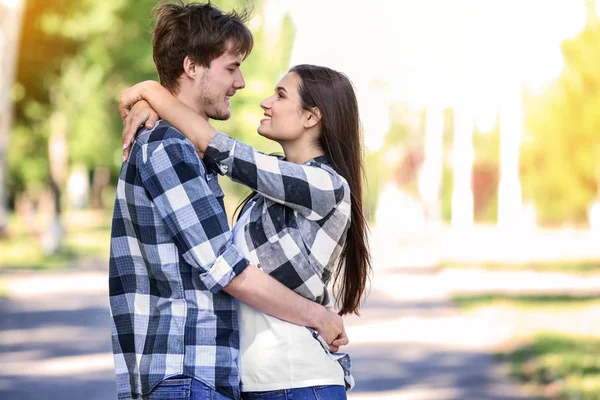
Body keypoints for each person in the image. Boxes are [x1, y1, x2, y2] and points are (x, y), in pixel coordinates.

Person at [109, 3, 347, 400]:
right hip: (187, 371)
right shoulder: (170, 146)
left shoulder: (319, 183)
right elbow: (226, 268)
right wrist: (318, 316)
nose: (243, 85)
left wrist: (153, 94)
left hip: (217, 374)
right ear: (192, 67)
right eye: (232, 67)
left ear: (313, 118)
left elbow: (229, 154)